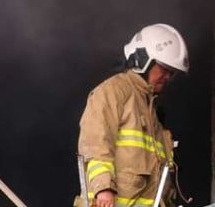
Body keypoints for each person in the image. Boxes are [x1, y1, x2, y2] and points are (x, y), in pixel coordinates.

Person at [76, 24, 189, 207]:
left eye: (171, 72)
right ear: (143, 59)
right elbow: (95, 144)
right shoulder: (113, 92)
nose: (167, 76)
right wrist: (103, 189)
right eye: (164, 68)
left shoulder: (152, 113)